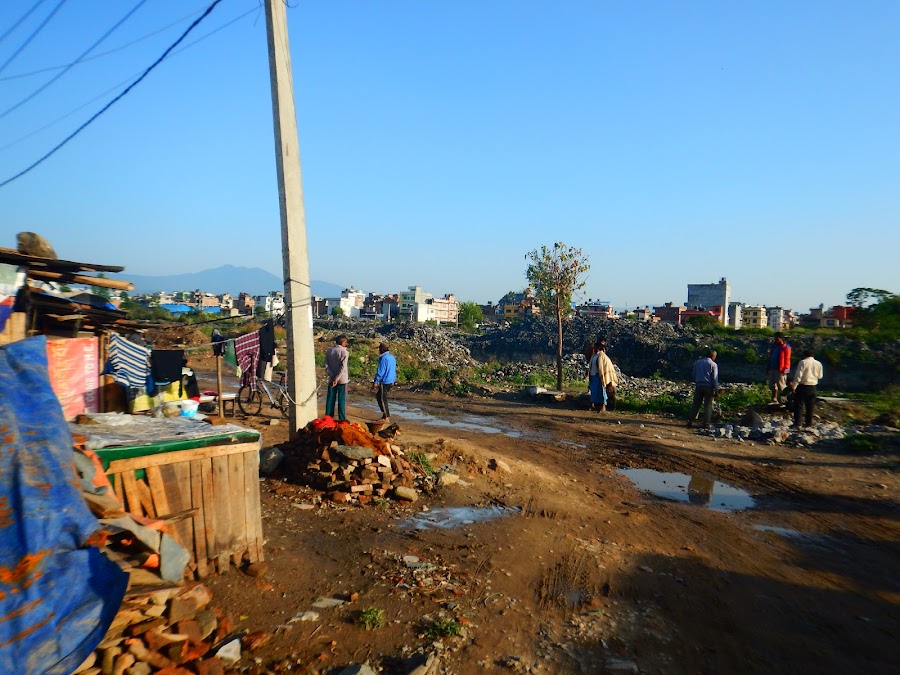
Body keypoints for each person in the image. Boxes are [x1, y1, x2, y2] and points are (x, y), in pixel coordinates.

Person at [790, 349, 824, 428]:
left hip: (803, 386)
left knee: (798, 405)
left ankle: (797, 423)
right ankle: (808, 423)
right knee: (810, 406)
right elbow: (820, 376)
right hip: (813, 386)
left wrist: (794, 386)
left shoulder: (802, 362)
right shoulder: (818, 363)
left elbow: (798, 376)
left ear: (804, 355)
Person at [687, 349, 719, 429]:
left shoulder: (697, 362)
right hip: (708, 387)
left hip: (699, 385)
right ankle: (706, 423)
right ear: (713, 356)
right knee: (708, 405)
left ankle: (690, 421)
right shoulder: (713, 364)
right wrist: (716, 389)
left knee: (696, 404)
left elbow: (694, 374)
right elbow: (715, 378)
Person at [324, 335, 349, 421]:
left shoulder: (329, 350)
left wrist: (332, 376)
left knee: (330, 398)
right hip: (342, 380)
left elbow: (326, 365)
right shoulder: (344, 352)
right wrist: (337, 378)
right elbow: (343, 367)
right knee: (342, 399)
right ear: (343, 342)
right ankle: (342, 418)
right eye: (346, 342)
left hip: (332, 378)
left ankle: (328, 417)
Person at [372, 342, 397, 422]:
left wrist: (376, 381)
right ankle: (384, 415)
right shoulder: (392, 357)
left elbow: (381, 372)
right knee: (380, 397)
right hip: (391, 380)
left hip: (385, 381)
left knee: (382, 398)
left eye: (379, 349)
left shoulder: (383, 358)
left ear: (382, 349)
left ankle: (386, 417)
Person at [767, 332, 792, 404]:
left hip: (780, 369)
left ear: (781, 338)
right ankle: (774, 399)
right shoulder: (773, 346)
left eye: (777, 338)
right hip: (772, 368)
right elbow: (770, 357)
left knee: (781, 385)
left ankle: (784, 401)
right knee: (772, 385)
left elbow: (787, 359)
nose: (775, 339)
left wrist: (786, 369)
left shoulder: (786, 347)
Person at [597, 341, 618, 411]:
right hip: (611, 376)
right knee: (611, 392)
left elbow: (600, 368)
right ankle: (612, 407)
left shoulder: (600, 356)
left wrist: (601, 377)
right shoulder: (605, 357)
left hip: (607, 377)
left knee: (609, 392)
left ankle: (607, 406)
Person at [587, 342, 605, 412]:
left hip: (599, 376)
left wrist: (602, 375)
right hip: (593, 375)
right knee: (593, 391)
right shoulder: (594, 356)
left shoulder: (601, 356)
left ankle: (602, 406)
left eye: (595, 347)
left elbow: (602, 367)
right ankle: (592, 405)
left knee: (601, 391)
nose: (594, 348)